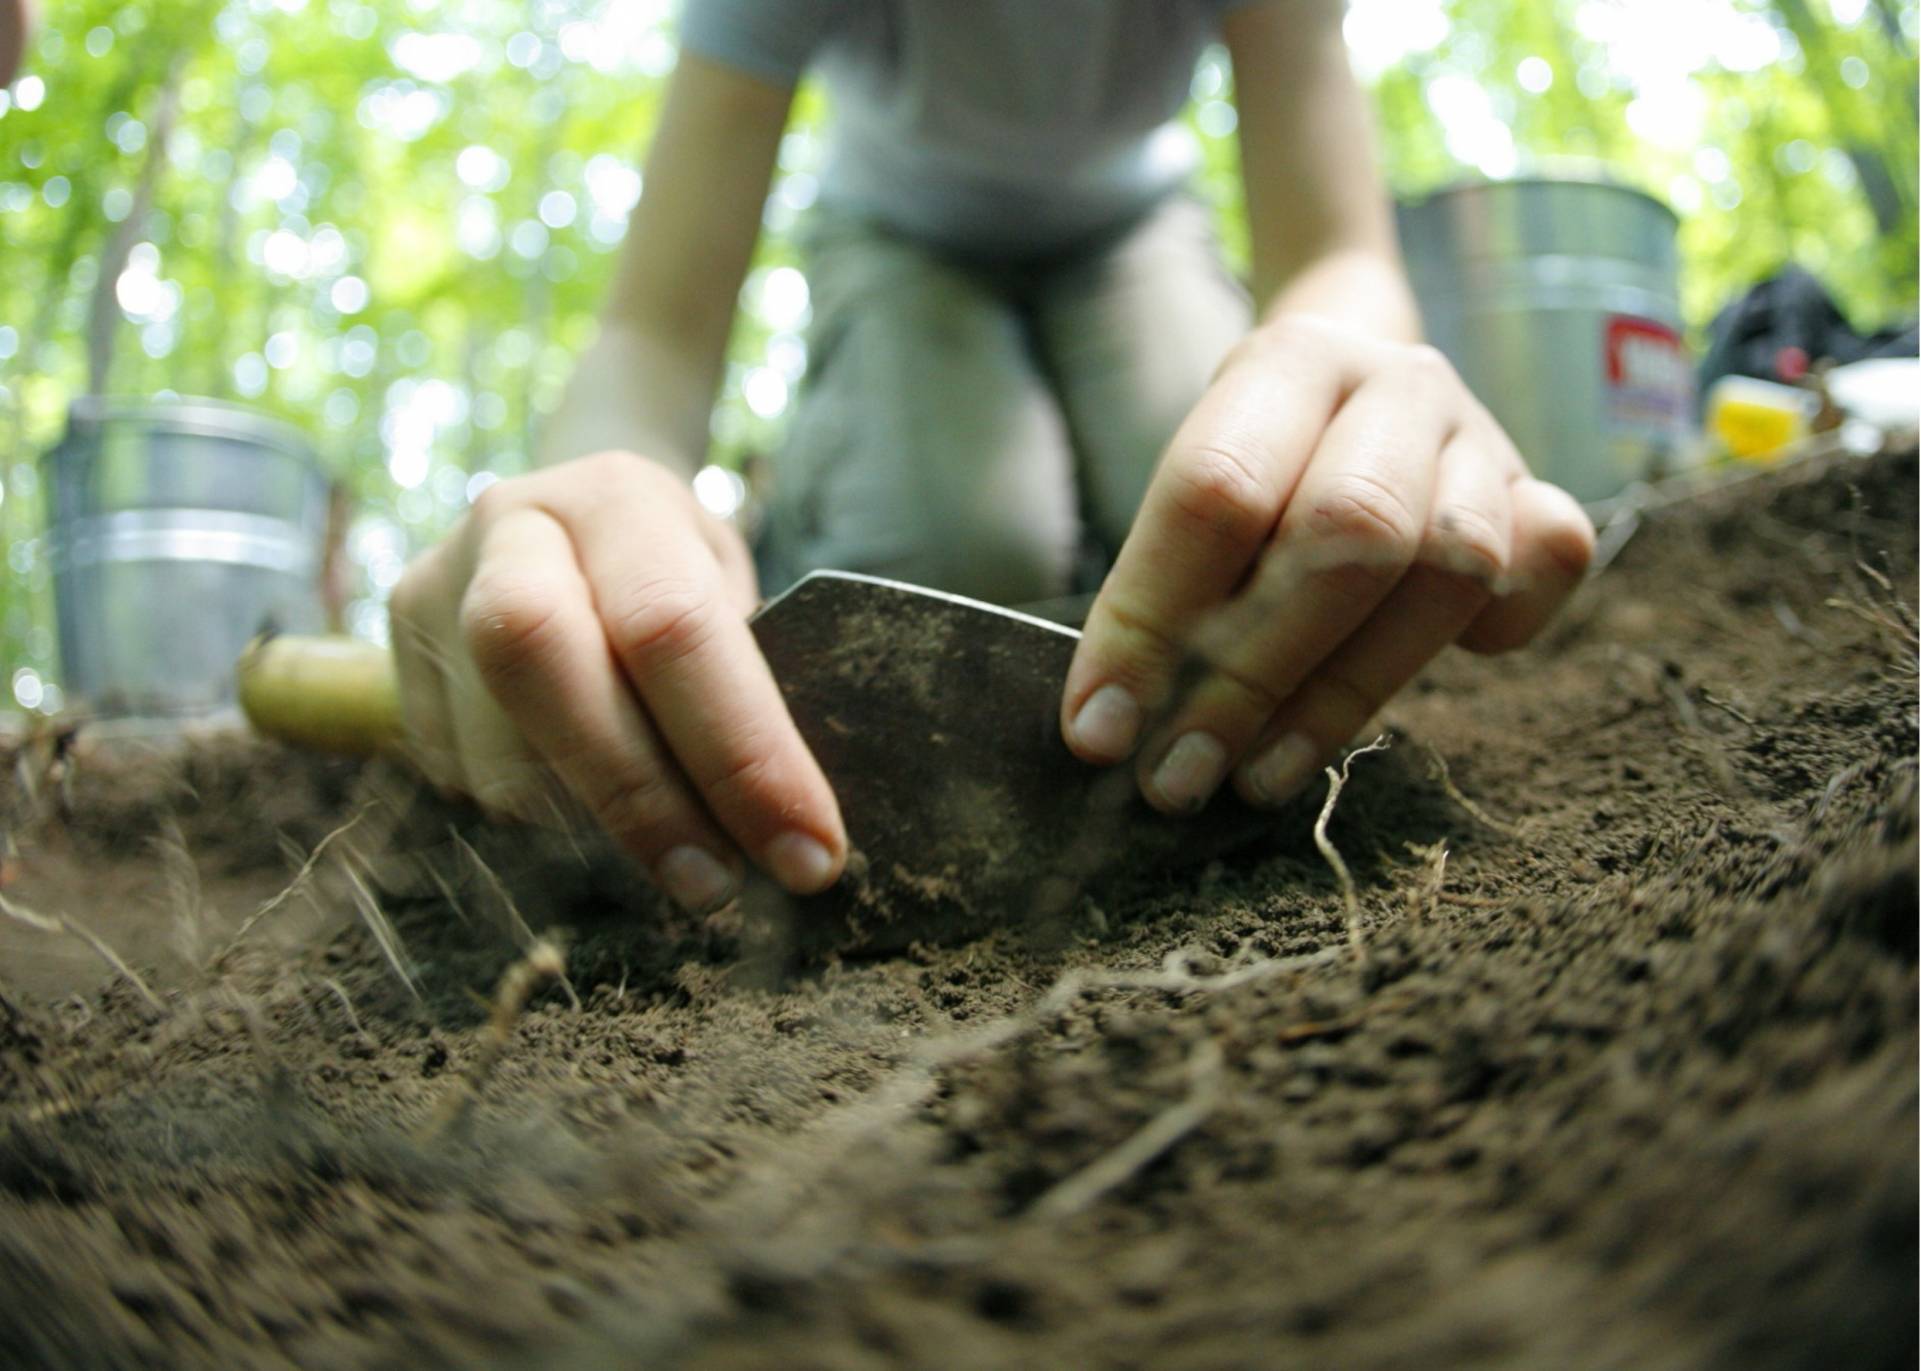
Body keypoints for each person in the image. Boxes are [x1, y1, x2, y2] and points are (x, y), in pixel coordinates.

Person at [391, 0, 1596, 917]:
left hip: (1136, 233)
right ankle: (816, 533)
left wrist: (1369, 415)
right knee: (957, 539)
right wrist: (594, 506)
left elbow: (1337, 256)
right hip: (894, 237)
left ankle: (1090, 529)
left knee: (1237, 518)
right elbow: (651, 336)